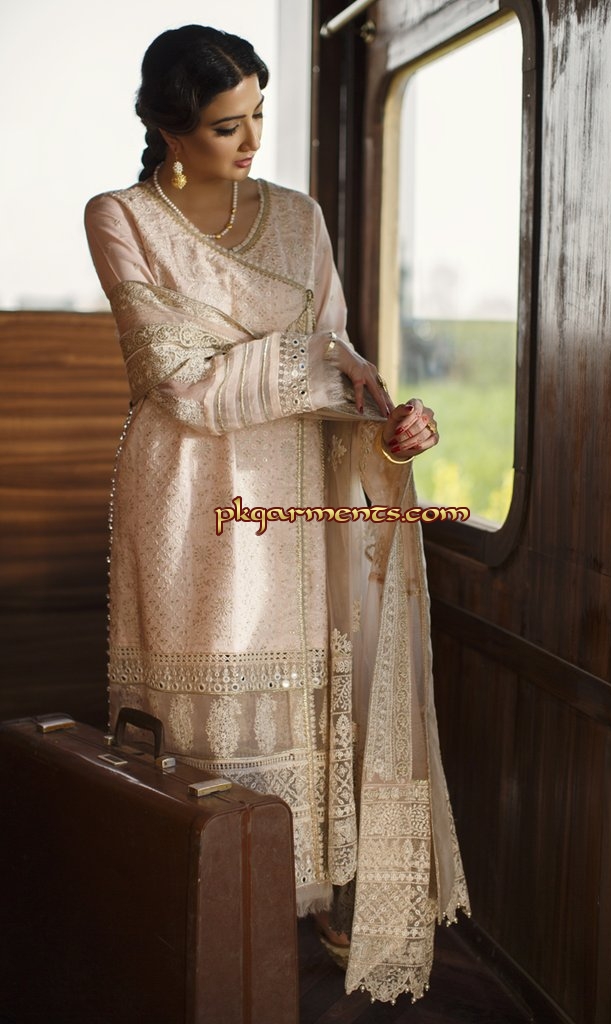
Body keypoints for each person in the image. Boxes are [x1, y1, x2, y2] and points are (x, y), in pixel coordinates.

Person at [84, 24, 469, 1005]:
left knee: (313, 683)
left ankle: (316, 895)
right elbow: (178, 379)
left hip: (301, 484)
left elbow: (339, 360)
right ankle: (198, 903)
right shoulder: (122, 216)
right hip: (188, 490)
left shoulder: (299, 216)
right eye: (226, 126)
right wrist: (317, 364)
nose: (252, 140)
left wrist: (387, 427)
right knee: (201, 705)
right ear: (169, 127)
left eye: (259, 114)